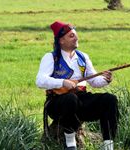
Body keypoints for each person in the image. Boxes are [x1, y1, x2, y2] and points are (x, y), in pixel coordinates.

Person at [36, 21, 119, 150]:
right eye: (71, 36)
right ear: (61, 41)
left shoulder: (83, 57)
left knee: (109, 100)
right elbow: (40, 81)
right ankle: (71, 143)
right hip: (57, 102)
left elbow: (95, 82)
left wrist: (106, 79)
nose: (76, 38)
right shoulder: (51, 57)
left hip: (81, 99)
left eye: (75, 35)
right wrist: (63, 82)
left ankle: (108, 145)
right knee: (70, 99)